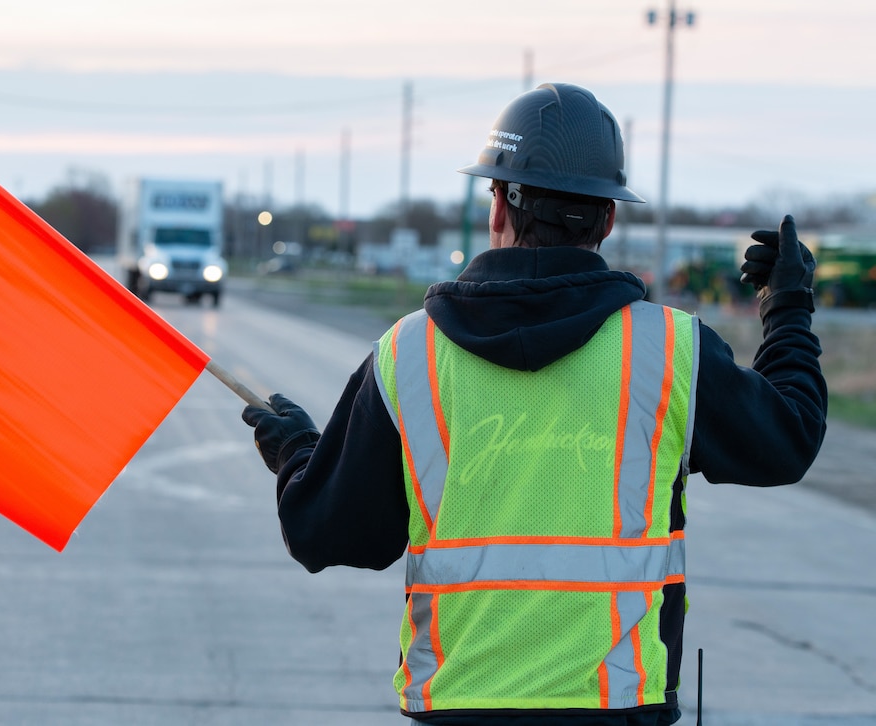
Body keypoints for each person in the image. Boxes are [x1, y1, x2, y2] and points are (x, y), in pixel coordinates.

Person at [241, 82, 827, 726]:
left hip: (459, 705)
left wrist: (299, 453)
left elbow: (329, 532)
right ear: (606, 218)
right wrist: (788, 308)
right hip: (617, 705)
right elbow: (788, 437)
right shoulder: (669, 351)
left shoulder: (408, 353)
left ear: (497, 204)